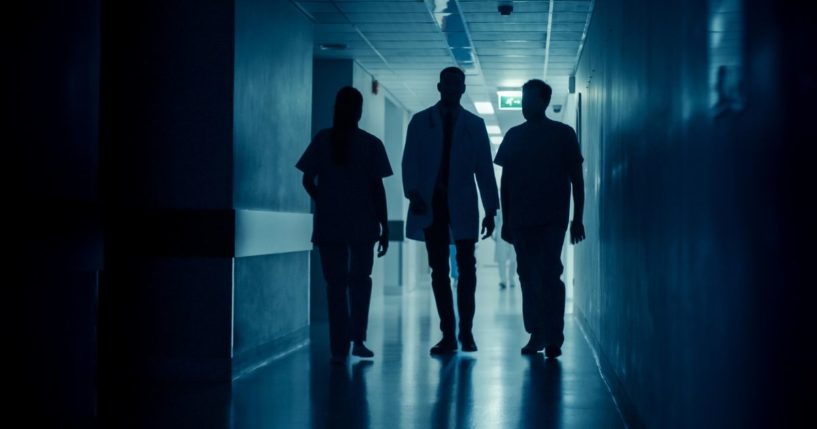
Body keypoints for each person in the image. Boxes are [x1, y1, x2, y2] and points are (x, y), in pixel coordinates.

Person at [402, 67, 499, 354]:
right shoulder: (420, 122)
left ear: (463, 89)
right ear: (439, 86)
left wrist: (491, 209)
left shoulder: (475, 125)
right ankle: (448, 333)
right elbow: (410, 162)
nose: (453, 88)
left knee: (467, 269)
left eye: (458, 84)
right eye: (449, 83)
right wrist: (414, 194)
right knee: (438, 270)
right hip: (431, 204)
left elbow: (484, 169)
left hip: (463, 203)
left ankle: (466, 332)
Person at [296, 86, 392, 364]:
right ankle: (358, 340)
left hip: (331, 223)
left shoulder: (323, 140)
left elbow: (306, 180)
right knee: (360, 282)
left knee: (335, 285)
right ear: (359, 111)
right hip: (364, 222)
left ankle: (339, 345)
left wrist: (324, 200)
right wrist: (384, 227)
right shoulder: (370, 144)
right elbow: (378, 189)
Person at [493, 79, 586, 358]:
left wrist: (577, 218)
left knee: (549, 274)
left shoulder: (563, 134)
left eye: (530, 100)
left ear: (544, 102)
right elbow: (505, 182)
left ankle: (553, 336)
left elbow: (577, 180)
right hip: (521, 219)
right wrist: (506, 220)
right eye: (523, 100)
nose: (525, 105)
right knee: (526, 275)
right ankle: (536, 332)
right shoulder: (513, 136)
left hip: (552, 219)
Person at [493, 210, 517, 289]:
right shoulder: (499, 206)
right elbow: (496, 219)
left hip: (514, 229)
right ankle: (503, 280)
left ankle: (511, 278)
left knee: (514, 258)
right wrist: (494, 232)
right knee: (501, 258)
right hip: (501, 230)